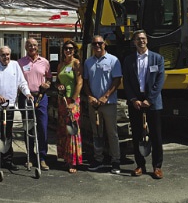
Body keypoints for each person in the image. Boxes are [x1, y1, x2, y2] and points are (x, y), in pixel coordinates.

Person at [123, 30, 165, 179]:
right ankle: (140, 165)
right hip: (136, 102)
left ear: (147, 40)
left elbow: (160, 81)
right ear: (134, 42)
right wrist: (133, 99)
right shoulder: (128, 60)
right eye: (138, 39)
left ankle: (157, 167)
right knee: (137, 135)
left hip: (152, 102)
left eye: (143, 38)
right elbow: (126, 82)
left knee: (156, 136)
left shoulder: (157, 58)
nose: (141, 41)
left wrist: (150, 99)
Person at [0, 45, 33, 171]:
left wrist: (27, 93)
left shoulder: (15, 65)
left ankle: (8, 160)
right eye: (3, 55)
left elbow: (22, 82)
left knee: (7, 133)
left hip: (9, 106)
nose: (6, 57)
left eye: (7, 54)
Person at [84, 35, 123, 174]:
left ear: (105, 44)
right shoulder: (88, 62)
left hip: (109, 103)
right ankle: (98, 159)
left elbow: (117, 80)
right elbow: (86, 82)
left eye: (100, 43)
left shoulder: (114, 60)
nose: (97, 46)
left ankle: (115, 161)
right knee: (96, 133)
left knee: (112, 133)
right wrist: (90, 96)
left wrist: (106, 96)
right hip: (94, 104)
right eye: (94, 44)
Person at [17, 38, 52, 170]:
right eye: (29, 45)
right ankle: (30, 157)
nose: (32, 47)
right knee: (28, 128)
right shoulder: (20, 62)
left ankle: (42, 157)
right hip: (25, 98)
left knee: (42, 128)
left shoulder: (45, 62)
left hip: (41, 97)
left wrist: (47, 84)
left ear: (38, 47)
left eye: (34, 45)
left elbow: (49, 78)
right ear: (26, 47)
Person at [56, 40, 83, 173]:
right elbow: (58, 82)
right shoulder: (60, 64)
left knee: (72, 130)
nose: (68, 50)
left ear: (74, 50)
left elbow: (79, 83)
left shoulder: (76, 63)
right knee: (63, 130)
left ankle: (73, 162)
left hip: (73, 100)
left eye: (71, 49)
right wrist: (58, 86)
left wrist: (73, 100)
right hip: (62, 100)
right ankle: (66, 159)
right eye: (66, 48)